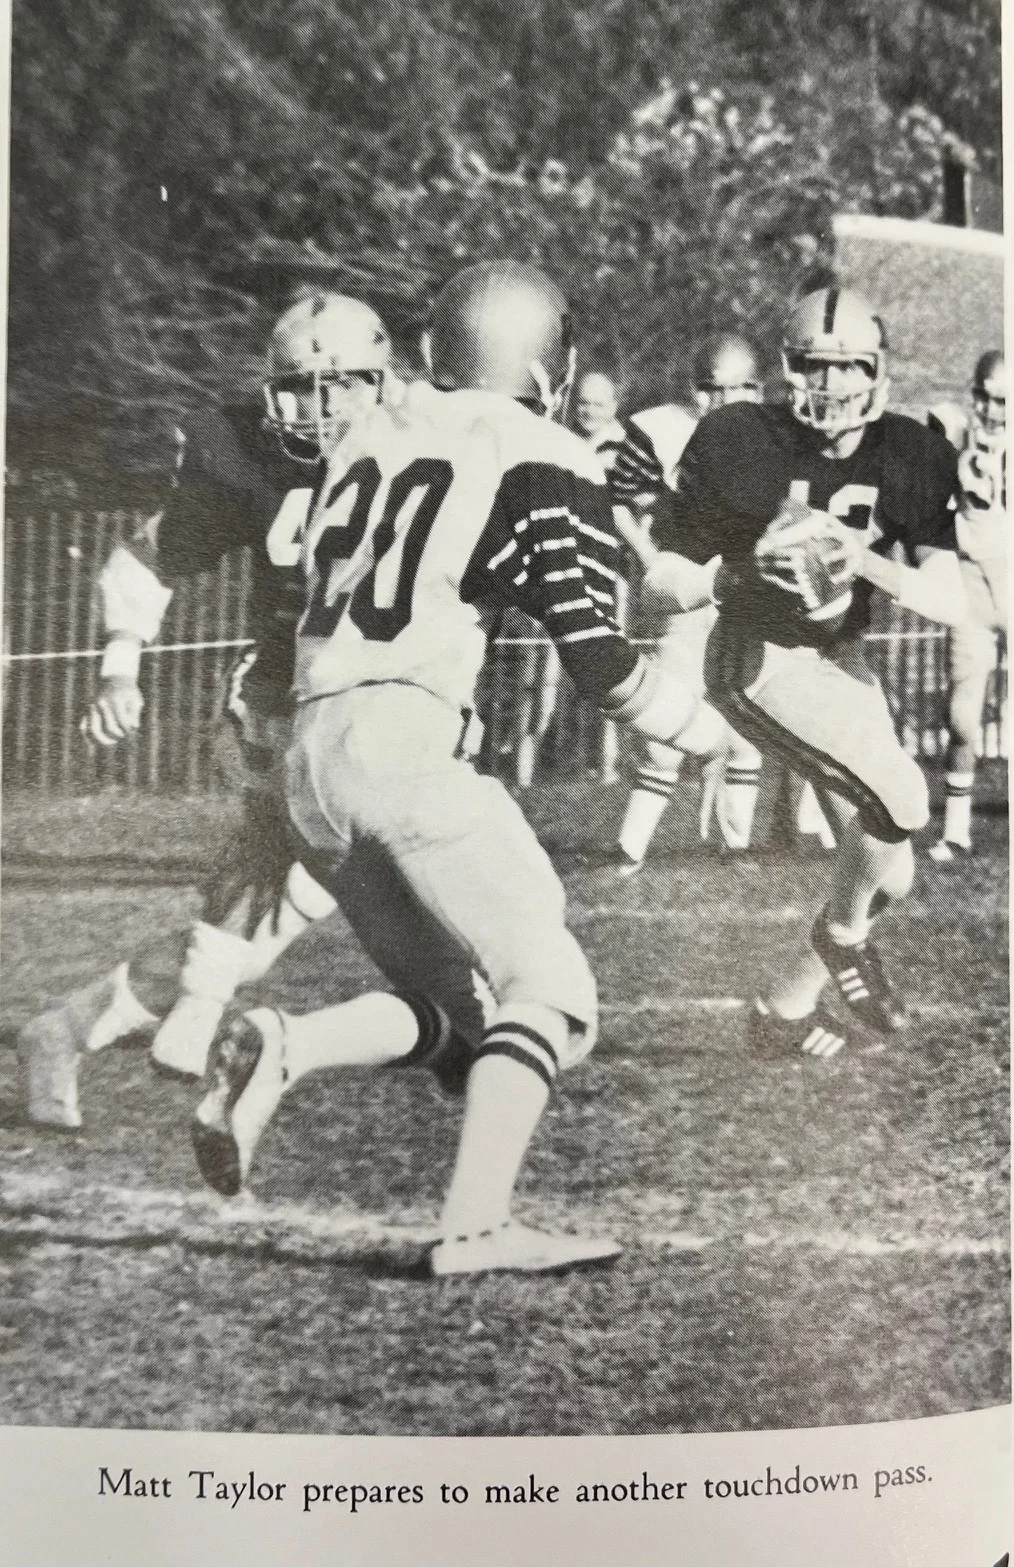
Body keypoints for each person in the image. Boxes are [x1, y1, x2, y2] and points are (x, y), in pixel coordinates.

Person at [189, 260, 723, 1276]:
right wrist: (709, 737)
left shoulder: (369, 437)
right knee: (555, 989)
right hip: (408, 745)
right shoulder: (532, 443)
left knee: (471, 1024)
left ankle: (284, 1046)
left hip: (310, 761)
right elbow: (603, 665)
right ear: (541, 358)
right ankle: (478, 1228)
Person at [18, 293, 390, 1129]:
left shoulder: (423, 444)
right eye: (301, 388)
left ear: (385, 379)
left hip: (381, 699)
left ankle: (67, 1025)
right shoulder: (244, 460)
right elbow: (148, 558)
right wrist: (120, 673)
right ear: (271, 393)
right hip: (280, 691)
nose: (323, 409)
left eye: (345, 386)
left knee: (291, 908)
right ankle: (195, 1006)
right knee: (276, 845)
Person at [651, 288, 966, 1058]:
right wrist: (735, 573)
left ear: (878, 369)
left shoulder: (911, 450)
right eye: (814, 369)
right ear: (789, 371)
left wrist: (863, 561)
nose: (829, 387)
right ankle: (842, 938)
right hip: (758, 656)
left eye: (847, 367)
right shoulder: (737, 437)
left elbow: (950, 595)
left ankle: (784, 1010)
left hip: (839, 657)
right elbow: (659, 578)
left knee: (891, 871)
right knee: (904, 798)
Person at [610, 334, 766, 868]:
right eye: (708, 390)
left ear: (757, 390)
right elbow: (617, 504)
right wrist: (650, 556)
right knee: (666, 731)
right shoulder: (659, 428)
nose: (718, 403)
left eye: (733, 390)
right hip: (684, 590)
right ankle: (629, 846)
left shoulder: (775, 439)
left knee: (748, 727)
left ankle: (736, 846)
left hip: (746, 589)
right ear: (691, 390)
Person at [927, 350, 1007, 862]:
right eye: (984, 395)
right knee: (962, 716)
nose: (992, 408)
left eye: (1003, 400)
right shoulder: (953, 434)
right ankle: (956, 830)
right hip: (971, 587)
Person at [574, 370, 625, 472]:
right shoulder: (569, 434)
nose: (590, 411)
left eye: (598, 405)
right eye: (584, 402)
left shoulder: (623, 450)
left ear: (613, 408)